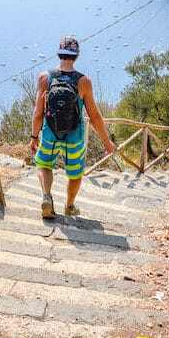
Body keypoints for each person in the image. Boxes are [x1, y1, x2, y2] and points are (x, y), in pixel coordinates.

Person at [29, 35, 116, 218]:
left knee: (44, 165)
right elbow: (94, 116)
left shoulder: (45, 78)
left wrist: (34, 137)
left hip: (50, 133)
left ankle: (46, 196)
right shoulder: (83, 81)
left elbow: (38, 113)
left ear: (59, 54)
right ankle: (69, 206)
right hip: (74, 136)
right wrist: (106, 141)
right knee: (75, 174)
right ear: (76, 56)